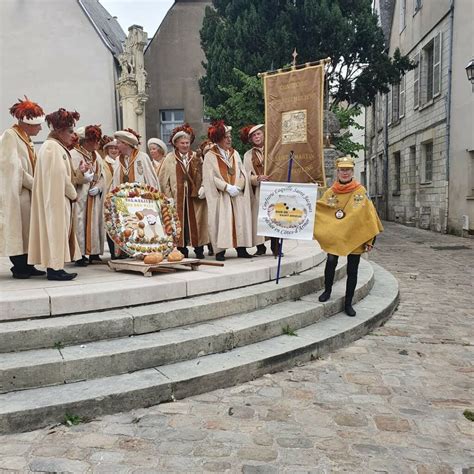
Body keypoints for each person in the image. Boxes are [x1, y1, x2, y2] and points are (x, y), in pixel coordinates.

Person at [314, 156, 383, 316]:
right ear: (337, 172)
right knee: (331, 262)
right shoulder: (330, 192)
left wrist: (370, 239)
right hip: (336, 235)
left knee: (353, 269)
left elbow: (369, 216)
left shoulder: (360, 191)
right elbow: (322, 210)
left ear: (352, 172)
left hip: (355, 236)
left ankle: (348, 303)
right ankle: (327, 290)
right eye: (342, 170)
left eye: (348, 170)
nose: (345, 173)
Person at [28, 108, 82, 281]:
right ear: (59, 131)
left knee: (56, 231)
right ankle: (55, 268)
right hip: (56, 199)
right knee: (56, 231)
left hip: (56, 198)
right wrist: (73, 194)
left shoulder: (53, 147)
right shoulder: (52, 148)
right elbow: (60, 176)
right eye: (70, 131)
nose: (73, 136)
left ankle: (56, 266)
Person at [0, 96, 46, 279]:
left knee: (27, 231)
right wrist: (36, 184)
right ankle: (19, 266)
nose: (40, 128)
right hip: (18, 195)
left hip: (27, 193)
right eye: (38, 125)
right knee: (18, 230)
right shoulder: (10, 136)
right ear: (27, 124)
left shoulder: (24, 137)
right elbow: (13, 168)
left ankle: (28, 264)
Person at [202, 121, 253, 261]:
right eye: (226, 137)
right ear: (218, 139)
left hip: (236, 193)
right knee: (221, 222)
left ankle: (241, 248)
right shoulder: (210, 156)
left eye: (230, 136)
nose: (229, 139)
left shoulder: (235, 153)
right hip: (222, 196)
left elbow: (242, 172)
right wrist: (226, 187)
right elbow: (210, 178)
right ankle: (220, 251)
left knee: (239, 221)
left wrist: (239, 186)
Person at [158, 124, 208, 259]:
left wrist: (203, 187)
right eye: (182, 143)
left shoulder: (197, 156)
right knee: (179, 223)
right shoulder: (169, 158)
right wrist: (169, 197)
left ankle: (199, 249)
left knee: (197, 223)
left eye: (187, 142)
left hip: (194, 197)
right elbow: (164, 180)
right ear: (176, 144)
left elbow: (205, 174)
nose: (185, 145)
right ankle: (181, 249)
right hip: (177, 197)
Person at [241, 124, 280, 257]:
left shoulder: (274, 150)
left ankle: (276, 247)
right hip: (258, 191)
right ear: (251, 139)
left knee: (275, 217)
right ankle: (260, 246)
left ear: (264, 134)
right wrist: (257, 178)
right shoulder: (247, 156)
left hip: (274, 189)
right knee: (259, 218)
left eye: (258, 134)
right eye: (254, 135)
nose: (257, 137)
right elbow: (246, 175)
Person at [70, 125, 106, 266]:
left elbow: (102, 176)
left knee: (95, 223)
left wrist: (98, 187)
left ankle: (94, 252)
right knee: (79, 223)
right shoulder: (74, 154)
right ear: (85, 141)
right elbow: (72, 176)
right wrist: (84, 177)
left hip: (94, 197)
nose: (98, 143)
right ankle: (79, 255)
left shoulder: (96, 156)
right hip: (80, 196)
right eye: (95, 140)